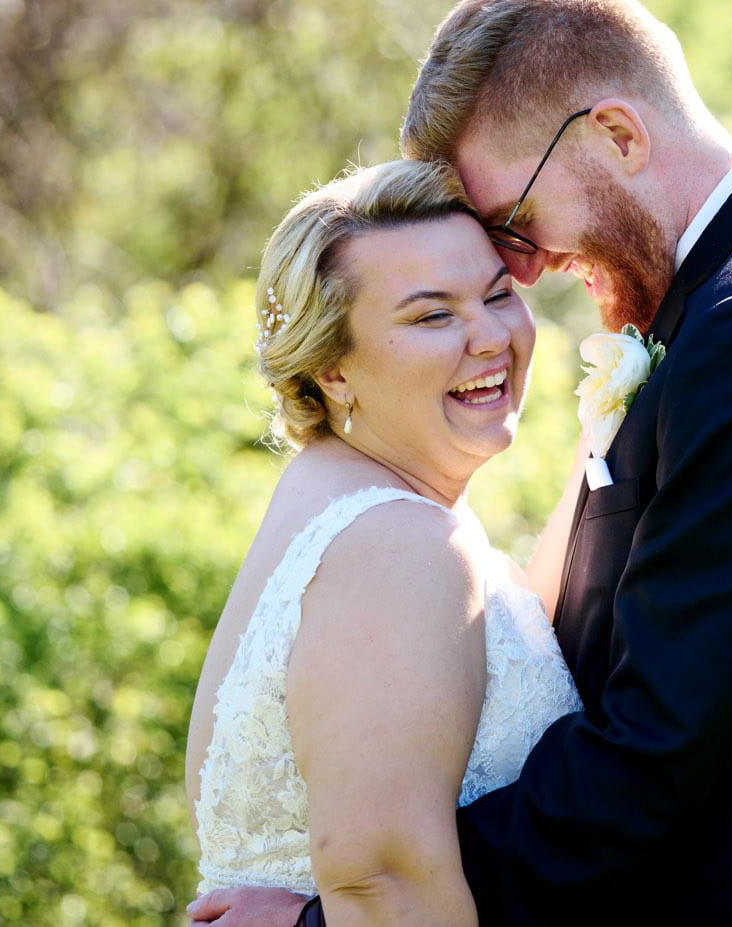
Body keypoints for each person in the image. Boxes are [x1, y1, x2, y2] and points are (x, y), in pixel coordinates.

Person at [191, 0, 732, 927]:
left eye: (514, 222)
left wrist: (318, 923)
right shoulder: (731, 310)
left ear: (619, 136)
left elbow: (656, 752)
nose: (523, 269)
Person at [186, 155, 582, 927]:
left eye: (498, 293)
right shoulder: (397, 542)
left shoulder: (328, 489)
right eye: (433, 315)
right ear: (333, 369)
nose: (490, 335)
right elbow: (385, 884)